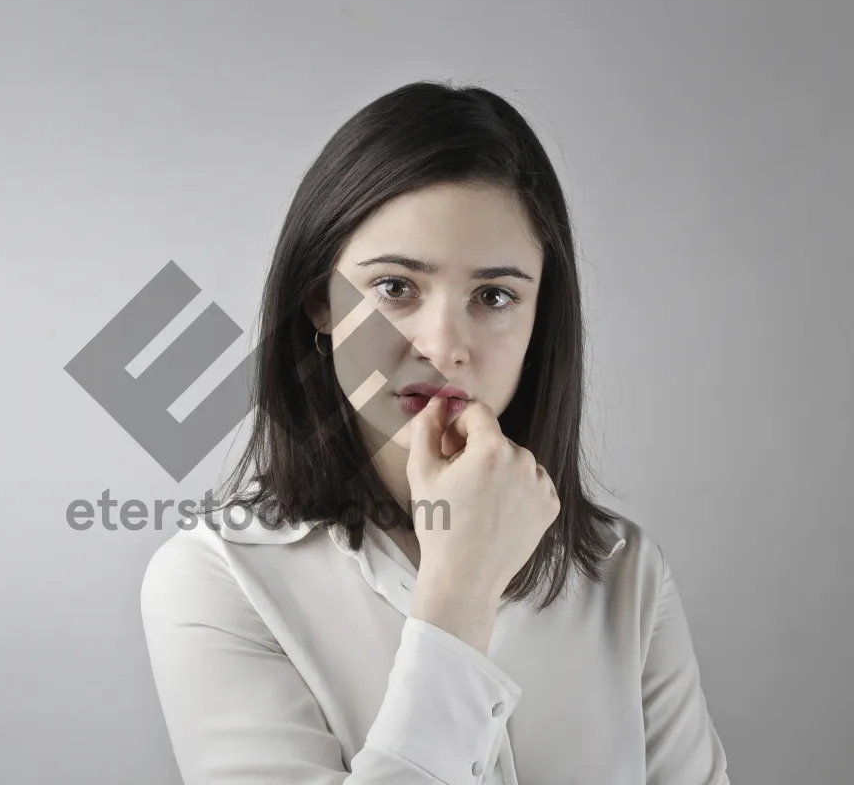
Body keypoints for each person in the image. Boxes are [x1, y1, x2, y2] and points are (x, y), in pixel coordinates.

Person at [139, 81, 730, 784]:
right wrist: (461, 590)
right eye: (395, 288)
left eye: (494, 296)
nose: (444, 345)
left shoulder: (624, 573)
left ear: (541, 321)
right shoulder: (218, 579)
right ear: (317, 303)